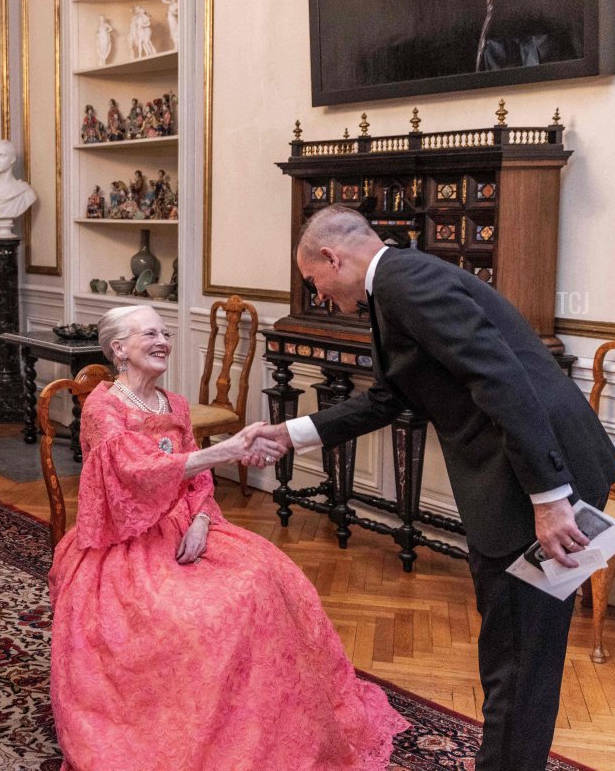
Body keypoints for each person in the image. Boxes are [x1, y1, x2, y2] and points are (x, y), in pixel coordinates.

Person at [254, 204, 615, 771]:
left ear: (332, 256)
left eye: (315, 283)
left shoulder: (405, 282)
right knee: (515, 651)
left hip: (535, 481)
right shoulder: (398, 284)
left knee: (520, 655)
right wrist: (290, 433)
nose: (320, 295)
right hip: (525, 477)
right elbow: (390, 396)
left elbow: (497, 377)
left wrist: (550, 499)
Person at [48, 304, 408, 771]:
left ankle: (263, 721)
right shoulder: (103, 407)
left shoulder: (174, 404)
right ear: (119, 349)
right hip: (125, 541)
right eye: (149, 334)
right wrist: (226, 449)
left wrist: (200, 521)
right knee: (198, 616)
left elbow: (196, 481)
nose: (162, 341)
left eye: (165, 333)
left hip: (186, 524)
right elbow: (132, 475)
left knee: (264, 579)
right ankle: (198, 729)